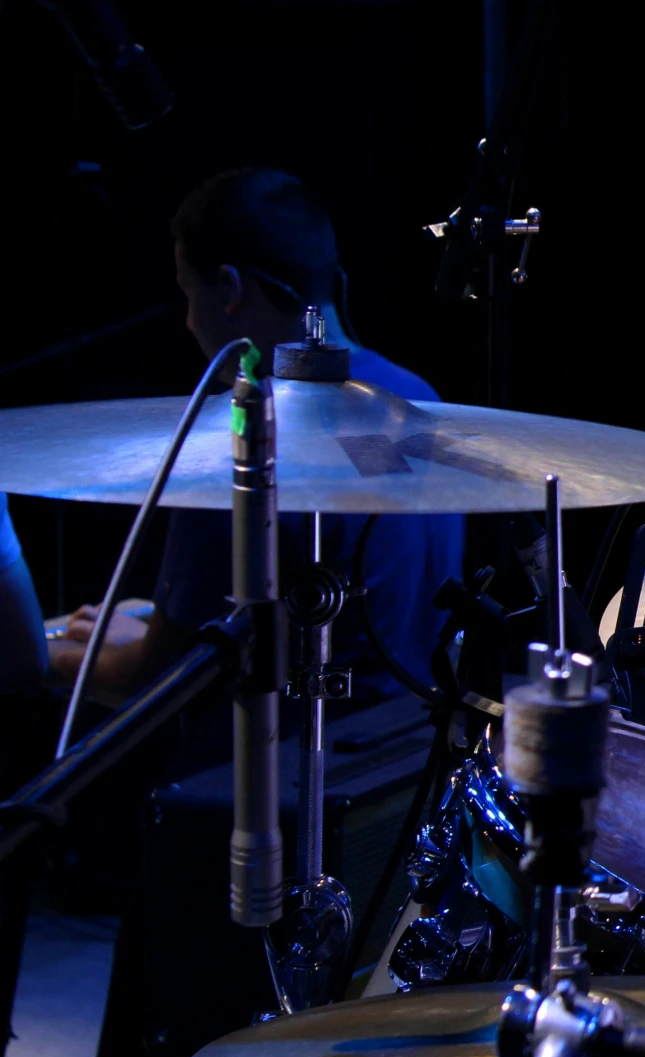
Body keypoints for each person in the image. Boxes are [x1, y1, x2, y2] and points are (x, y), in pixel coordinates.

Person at [47, 166, 463, 707]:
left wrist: (37, 654)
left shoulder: (242, 436)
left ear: (231, 290)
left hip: (288, 774)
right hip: (405, 757)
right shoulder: (420, 398)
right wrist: (152, 625)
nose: (189, 322)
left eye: (187, 294)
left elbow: (152, 679)